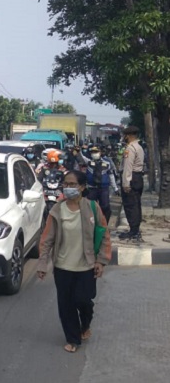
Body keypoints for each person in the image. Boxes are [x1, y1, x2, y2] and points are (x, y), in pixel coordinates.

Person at [37, 170, 111, 353]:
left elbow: (104, 235)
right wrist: (42, 263)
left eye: (72, 184)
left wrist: (101, 261)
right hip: (63, 267)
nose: (68, 187)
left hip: (86, 266)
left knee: (84, 301)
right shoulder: (56, 210)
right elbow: (47, 239)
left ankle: (85, 324)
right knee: (66, 305)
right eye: (66, 184)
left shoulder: (92, 207)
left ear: (82, 187)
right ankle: (73, 339)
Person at [118, 126, 145, 242]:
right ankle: (135, 230)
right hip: (138, 177)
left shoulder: (130, 148)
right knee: (136, 204)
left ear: (128, 136)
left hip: (132, 178)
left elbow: (128, 167)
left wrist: (126, 183)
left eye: (124, 135)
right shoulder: (139, 147)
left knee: (130, 205)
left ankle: (133, 231)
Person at [86, 146, 117, 223]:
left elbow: (111, 175)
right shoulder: (89, 162)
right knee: (90, 208)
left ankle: (104, 225)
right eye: (93, 152)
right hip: (92, 188)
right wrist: (78, 152)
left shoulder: (107, 163)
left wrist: (115, 188)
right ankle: (91, 224)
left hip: (104, 189)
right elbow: (80, 158)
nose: (94, 154)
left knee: (105, 207)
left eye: (96, 152)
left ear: (100, 153)